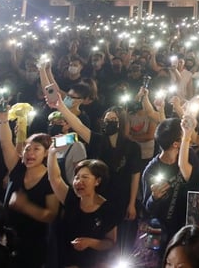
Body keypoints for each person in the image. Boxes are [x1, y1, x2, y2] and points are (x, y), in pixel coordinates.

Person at [53, 100, 142, 252]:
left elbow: (135, 175)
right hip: (99, 196)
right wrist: (61, 106)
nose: (108, 123)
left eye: (113, 120)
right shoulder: (98, 141)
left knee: (119, 240)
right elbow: (79, 127)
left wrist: (132, 203)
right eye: (106, 120)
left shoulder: (132, 147)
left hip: (122, 197)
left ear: (121, 122)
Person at [0, 110, 57, 268]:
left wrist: (25, 206)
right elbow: (5, 144)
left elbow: (51, 215)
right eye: (27, 149)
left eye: (36, 149)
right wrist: (3, 119)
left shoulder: (51, 179)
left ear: (45, 154)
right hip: (8, 236)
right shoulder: (17, 169)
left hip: (34, 242)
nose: (30, 153)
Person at [46, 150, 119, 267]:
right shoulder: (71, 199)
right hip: (63, 260)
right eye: (77, 178)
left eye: (85, 177)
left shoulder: (108, 209)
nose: (79, 182)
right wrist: (52, 153)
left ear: (97, 181)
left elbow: (110, 243)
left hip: (90, 263)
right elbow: (55, 178)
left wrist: (90, 242)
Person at [142, 117, 199, 249]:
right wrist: (154, 198)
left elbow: (196, 182)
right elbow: (147, 208)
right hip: (165, 231)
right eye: (184, 133)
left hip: (188, 225)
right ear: (176, 144)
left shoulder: (189, 156)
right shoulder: (151, 171)